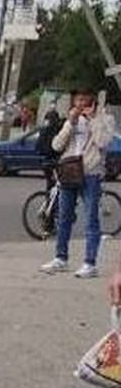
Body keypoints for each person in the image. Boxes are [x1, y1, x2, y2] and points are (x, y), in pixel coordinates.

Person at [41, 91, 116, 278]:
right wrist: (70, 124)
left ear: (93, 102)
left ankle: (90, 263)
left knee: (91, 218)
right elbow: (56, 145)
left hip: (90, 173)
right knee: (64, 217)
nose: (80, 103)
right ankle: (61, 258)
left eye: (84, 99)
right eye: (78, 99)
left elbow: (103, 142)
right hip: (69, 171)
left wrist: (93, 120)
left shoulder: (105, 119)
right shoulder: (71, 120)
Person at [35, 108, 63, 193]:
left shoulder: (43, 130)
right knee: (62, 183)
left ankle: (49, 197)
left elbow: (38, 146)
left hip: (46, 160)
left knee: (50, 182)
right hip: (57, 159)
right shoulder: (59, 129)